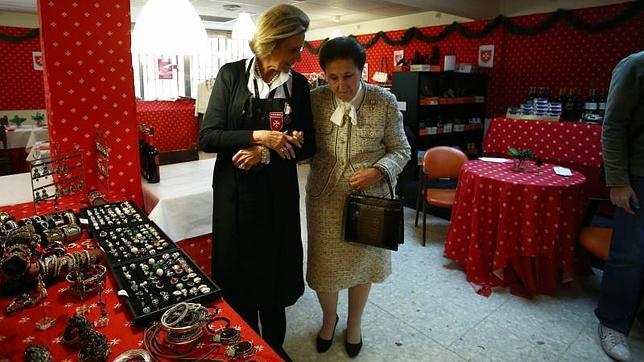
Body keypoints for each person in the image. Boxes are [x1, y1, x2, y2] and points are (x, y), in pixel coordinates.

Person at [198, 4, 315, 359]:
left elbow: (308, 142)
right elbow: (209, 136)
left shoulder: (298, 85)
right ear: (271, 42)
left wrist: (266, 152)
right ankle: (244, 347)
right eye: (294, 48)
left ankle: (274, 348)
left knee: (274, 279)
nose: (299, 56)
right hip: (235, 196)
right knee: (240, 278)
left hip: (277, 196)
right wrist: (261, 136)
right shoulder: (231, 76)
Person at [306, 36, 411, 357]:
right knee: (325, 267)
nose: (341, 85)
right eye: (333, 77)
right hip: (324, 199)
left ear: (361, 71)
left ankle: (354, 324)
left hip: (368, 201)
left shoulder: (384, 102)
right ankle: (328, 319)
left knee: (361, 265)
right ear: (324, 74)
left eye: (348, 75)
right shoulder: (314, 101)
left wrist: (378, 170)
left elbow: (402, 150)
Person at [596, 50, 644, 362]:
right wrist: (618, 180)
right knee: (630, 254)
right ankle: (613, 323)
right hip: (638, 176)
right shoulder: (634, 65)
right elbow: (612, 125)